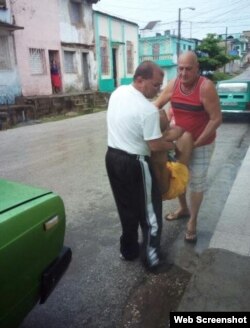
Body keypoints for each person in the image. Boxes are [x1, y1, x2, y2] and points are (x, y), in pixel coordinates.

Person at [105, 61, 175, 273]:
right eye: (155, 85)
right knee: (150, 213)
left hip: (112, 158)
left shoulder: (118, 92)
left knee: (126, 208)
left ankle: (128, 251)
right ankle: (152, 259)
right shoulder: (147, 110)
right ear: (140, 80)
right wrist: (173, 143)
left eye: (161, 86)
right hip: (135, 164)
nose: (158, 90)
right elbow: (154, 145)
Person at [155, 51, 222, 243]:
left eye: (188, 69)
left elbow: (216, 119)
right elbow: (157, 104)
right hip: (181, 140)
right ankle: (183, 209)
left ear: (197, 69)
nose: (183, 74)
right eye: (180, 69)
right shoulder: (174, 84)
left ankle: (193, 220)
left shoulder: (205, 87)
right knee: (179, 175)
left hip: (203, 142)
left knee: (197, 182)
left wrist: (198, 141)